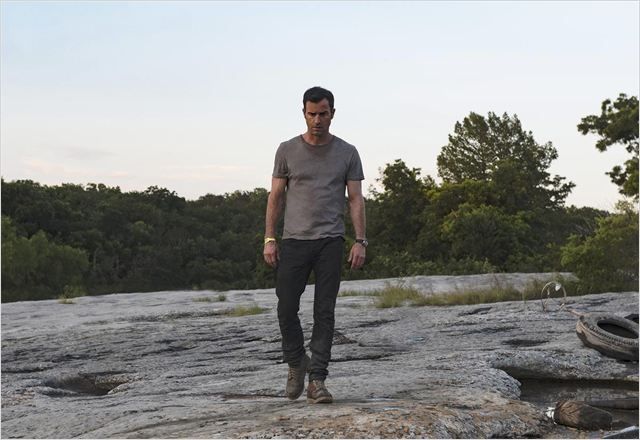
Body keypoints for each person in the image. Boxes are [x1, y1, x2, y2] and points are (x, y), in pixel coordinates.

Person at [263, 86, 367, 404]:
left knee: (325, 311)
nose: (317, 120)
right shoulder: (287, 150)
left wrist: (360, 240)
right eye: (312, 114)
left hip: (330, 241)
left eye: (323, 113)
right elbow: (276, 196)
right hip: (294, 240)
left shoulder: (347, 152)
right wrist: (269, 238)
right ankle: (297, 361)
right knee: (285, 307)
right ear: (304, 113)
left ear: (332, 113)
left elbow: (356, 199)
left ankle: (317, 380)